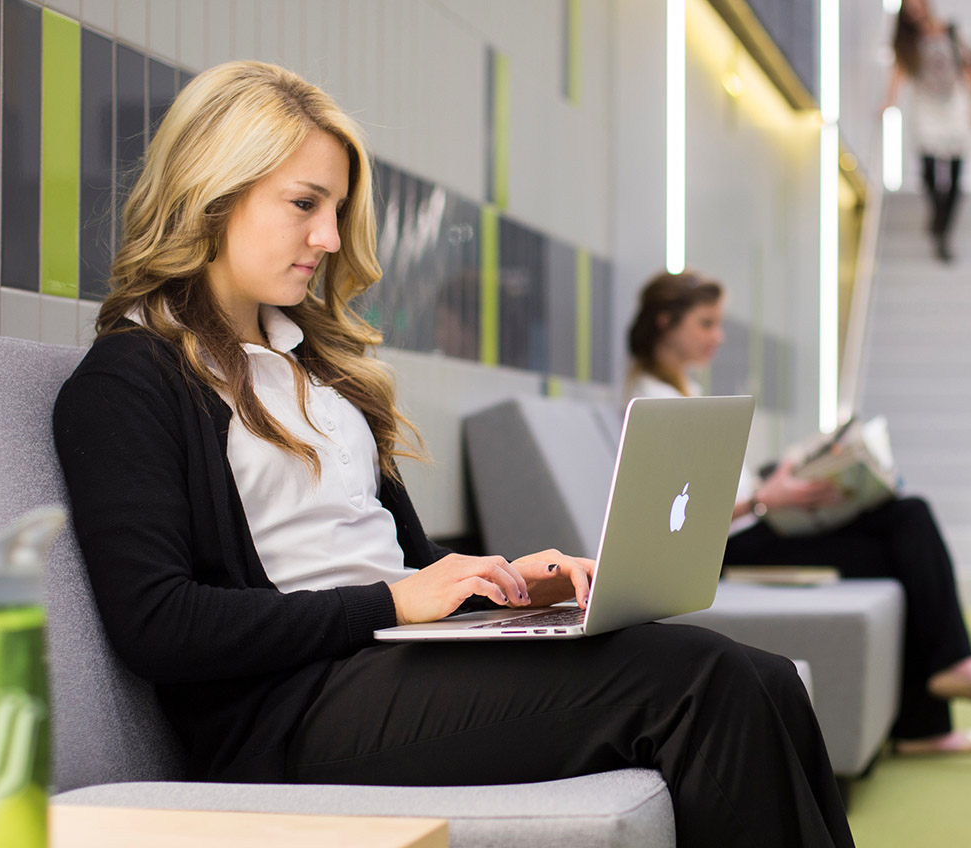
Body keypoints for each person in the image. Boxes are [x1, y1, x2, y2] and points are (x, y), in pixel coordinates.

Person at [50, 61, 853, 847]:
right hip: (289, 711)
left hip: (383, 666)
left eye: (335, 209)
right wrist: (394, 607)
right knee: (698, 683)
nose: (328, 238)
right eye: (304, 204)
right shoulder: (131, 377)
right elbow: (158, 623)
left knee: (765, 675)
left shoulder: (317, 367)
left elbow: (398, 561)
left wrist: (501, 585)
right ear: (211, 195)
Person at [625, 269, 971, 756]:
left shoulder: (681, 388)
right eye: (706, 323)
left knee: (905, 516)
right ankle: (931, 708)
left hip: (755, 523)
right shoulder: (652, 401)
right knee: (906, 534)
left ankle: (936, 702)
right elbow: (673, 514)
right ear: (666, 323)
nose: (718, 336)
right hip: (733, 545)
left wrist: (789, 473)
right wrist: (766, 498)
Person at [884, 0, 971, 262]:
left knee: (955, 172)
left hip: (955, 106)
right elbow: (899, 72)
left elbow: (969, 66)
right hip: (926, 108)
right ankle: (937, 215)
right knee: (928, 168)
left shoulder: (953, 31)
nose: (915, 11)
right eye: (909, 9)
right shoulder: (908, 42)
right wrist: (889, 101)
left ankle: (942, 231)